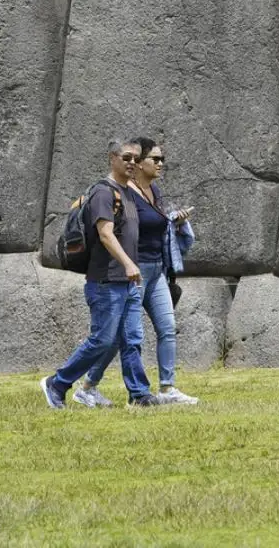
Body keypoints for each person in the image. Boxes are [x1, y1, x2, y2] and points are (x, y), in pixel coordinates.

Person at [72, 138, 201, 407]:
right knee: (122, 338)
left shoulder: (155, 192)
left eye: (162, 159)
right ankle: (88, 386)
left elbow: (158, 221)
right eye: (155, 159)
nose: (161, 164)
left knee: (167, 328)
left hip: (157, 270)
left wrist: (175, 219)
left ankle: (167, 388)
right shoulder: (124, 193)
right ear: (141, 164)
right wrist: (128, 265)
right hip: (132, 270)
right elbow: (117, 231)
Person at [41, 140, 157, 409]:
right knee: (102, 340)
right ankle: (57, 383)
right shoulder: (104, 193)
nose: (132, 163)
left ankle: (139, 394)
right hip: (106, 281)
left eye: (137, 159)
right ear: (112, 158)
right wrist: (129, 264)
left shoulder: (128, 192)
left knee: (131, 339)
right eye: (127, 157)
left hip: (126, 283)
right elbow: (105, 234)